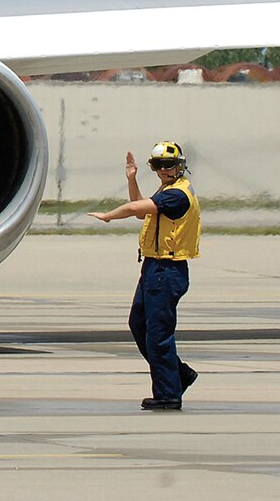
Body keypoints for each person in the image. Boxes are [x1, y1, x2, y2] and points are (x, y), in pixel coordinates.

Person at [90, 141, 200, 410]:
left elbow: (133, 210)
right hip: (153, 268)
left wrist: (108, 216)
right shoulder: (167, 190)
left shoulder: (178, 195)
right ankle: (178, 375)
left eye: (168, 165)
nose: (163, 170)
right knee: (138, 324)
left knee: (158, 334)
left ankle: (168, 394)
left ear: (180, 165)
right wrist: (131, 179)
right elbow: (141, 209)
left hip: (167, 270)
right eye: (158, 166)